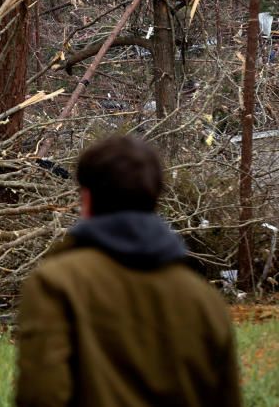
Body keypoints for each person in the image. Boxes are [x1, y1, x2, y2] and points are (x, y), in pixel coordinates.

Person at [16, 135, 240, 407]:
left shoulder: (56, 283)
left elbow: (42, 395)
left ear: (86, 198)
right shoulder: (204, 299)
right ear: (154, 200)